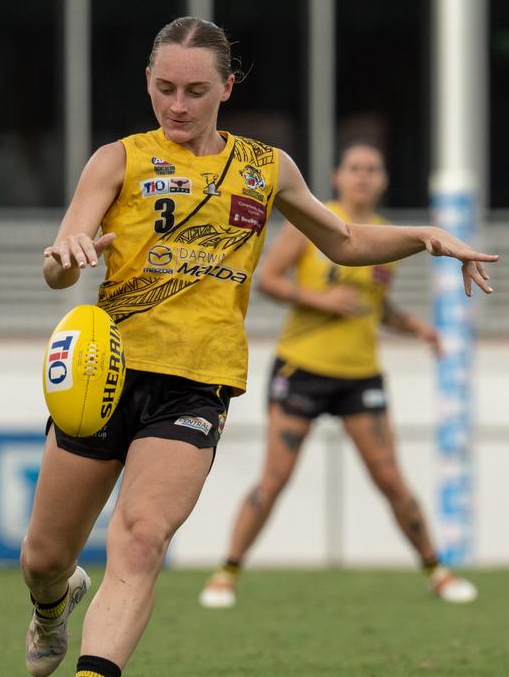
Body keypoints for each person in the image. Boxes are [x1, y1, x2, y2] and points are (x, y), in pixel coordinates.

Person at [19, 16, 497, 677]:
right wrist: (64, 256)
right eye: (165, 88)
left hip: (197, 384)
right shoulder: (117, 160)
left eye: (196, 90)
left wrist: (425, 238)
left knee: (141, 537)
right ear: (148, 83)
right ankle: (52, 605)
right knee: (44, 556)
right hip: (103, 374)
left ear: (227, 88)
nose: (178, 105)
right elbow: (62, 256)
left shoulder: (266, 167)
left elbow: (341, 240)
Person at [199, 143, 477, 610]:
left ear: (383, 179)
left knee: (390, 478)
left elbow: (375, 304)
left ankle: (438, 571)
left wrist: (416, 328)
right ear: (338, 176)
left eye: (373, 169)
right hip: (301, 368)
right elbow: (268, 279)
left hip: (359, 376)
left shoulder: (388, 239)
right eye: (355, 169)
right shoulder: (316, 222)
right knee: (275, 478)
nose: (363, 177)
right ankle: (226, 573)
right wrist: (321, 301)